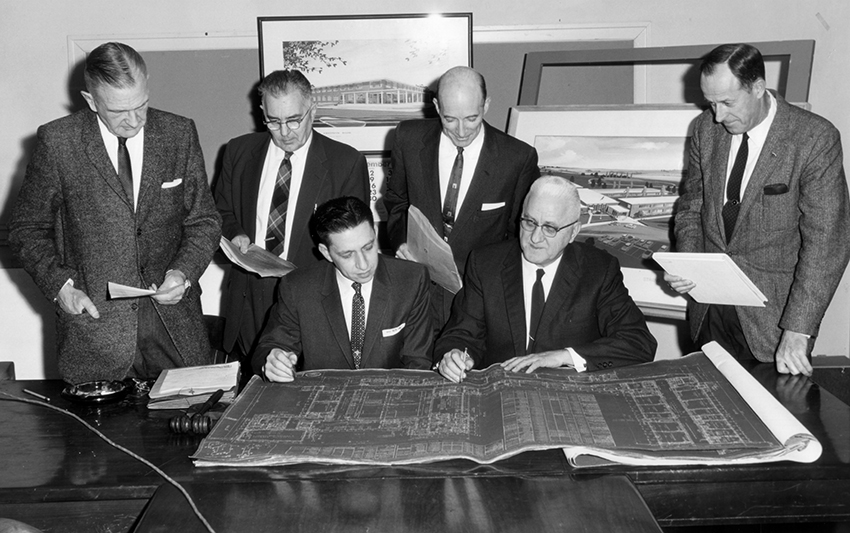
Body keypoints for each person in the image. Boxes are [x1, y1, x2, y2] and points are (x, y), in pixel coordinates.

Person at [9, 42, 221, 384]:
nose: (135, 120)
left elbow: (204, 221)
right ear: (92, 101)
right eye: (119, 112)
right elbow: (26, 229)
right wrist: (61, 286)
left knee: (191, 434)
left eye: (142, 105)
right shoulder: (58, 142)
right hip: (94, 335)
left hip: (175, 331)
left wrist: (183, 273)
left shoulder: (178, 134)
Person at [667, 43, 850, 376]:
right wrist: (690, 263)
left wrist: (798, 329)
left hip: (774, 322)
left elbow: (827, 243)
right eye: (710, 103)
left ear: (757, 88)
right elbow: (692, 205)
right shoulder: (705, 129)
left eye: (727, 102)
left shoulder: (813, 138)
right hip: (710, 310)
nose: (718, 116)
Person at [214, 70, 369, 368]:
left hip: (310, 304)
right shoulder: (238, 151)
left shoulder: (346, 163)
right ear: (262, 113)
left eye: (294, 120)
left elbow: (352, 242)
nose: (284, 132)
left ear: (313, 109)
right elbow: (220, 210)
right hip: (248, 300)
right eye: (273, 121)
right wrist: (234, 232)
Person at [435, 176, 656, 382]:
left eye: (550, 228)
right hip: (499, 393)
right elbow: (461, 334)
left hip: (568, 394)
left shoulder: (598, 270)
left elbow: (639, 342)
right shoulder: (485, 263)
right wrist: (454, 356)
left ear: (573, 232)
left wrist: (563, 356)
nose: (535, 237)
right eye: (529, 222)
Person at [384, 66, 539, 333]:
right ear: (435, 106)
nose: (462, 131)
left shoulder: (517, 159)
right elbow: (397, 201)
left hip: (478, 299)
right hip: (416, 289)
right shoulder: (407, 138)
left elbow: (517, 235)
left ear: (486, 105)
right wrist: (402, 245)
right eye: (450, 119)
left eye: (471, 118)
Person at [253, 197, 433, 382]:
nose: (363, 264)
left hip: (390, 398)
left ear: (375, 232)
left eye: (368, 247)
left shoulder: (410, 280)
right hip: (322, 399)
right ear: (326, 252)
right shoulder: (297, 287)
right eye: (347, 254)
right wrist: (273, 361)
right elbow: (268, 348)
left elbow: (417, 363)